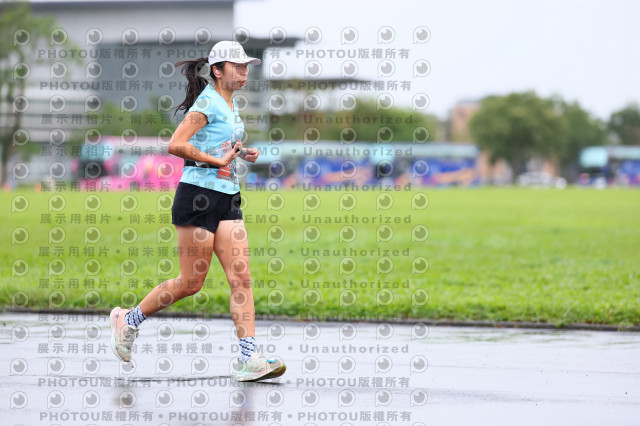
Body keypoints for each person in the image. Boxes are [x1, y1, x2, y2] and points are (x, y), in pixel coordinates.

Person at [109, 40, 286, 382]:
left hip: (228, 196)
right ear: (217, 70)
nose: (244, 72)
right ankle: (127, 320)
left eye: (246, 66)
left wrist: (240, 152)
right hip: (198, 198)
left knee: (241, 277)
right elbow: (176, 143)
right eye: (237, 66)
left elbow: (216, 144)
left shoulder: (230, 104)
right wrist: (216, 160)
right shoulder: (206, 102)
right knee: (191, 282)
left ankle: (248, 358)